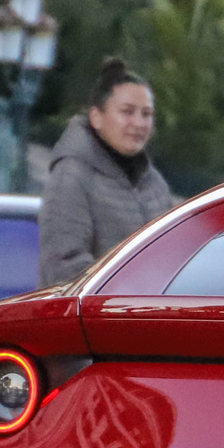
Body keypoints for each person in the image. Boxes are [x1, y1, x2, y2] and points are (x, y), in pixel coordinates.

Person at [40, 57, 175, 286]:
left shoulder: (155, 184)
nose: (139, 123)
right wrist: (129, 296)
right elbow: (63, 267)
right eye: (127, 112)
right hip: (90, 318)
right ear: (96, 118)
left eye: (146, 114)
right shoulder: (72, 176)